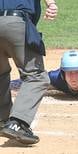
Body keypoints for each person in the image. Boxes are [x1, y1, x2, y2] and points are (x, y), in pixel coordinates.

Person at [0, 0, 58, 145]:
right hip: (16, 22)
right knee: (37, 76)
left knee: (1, 72)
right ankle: (17, 123)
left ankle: (2, 119)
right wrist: (51, 4)